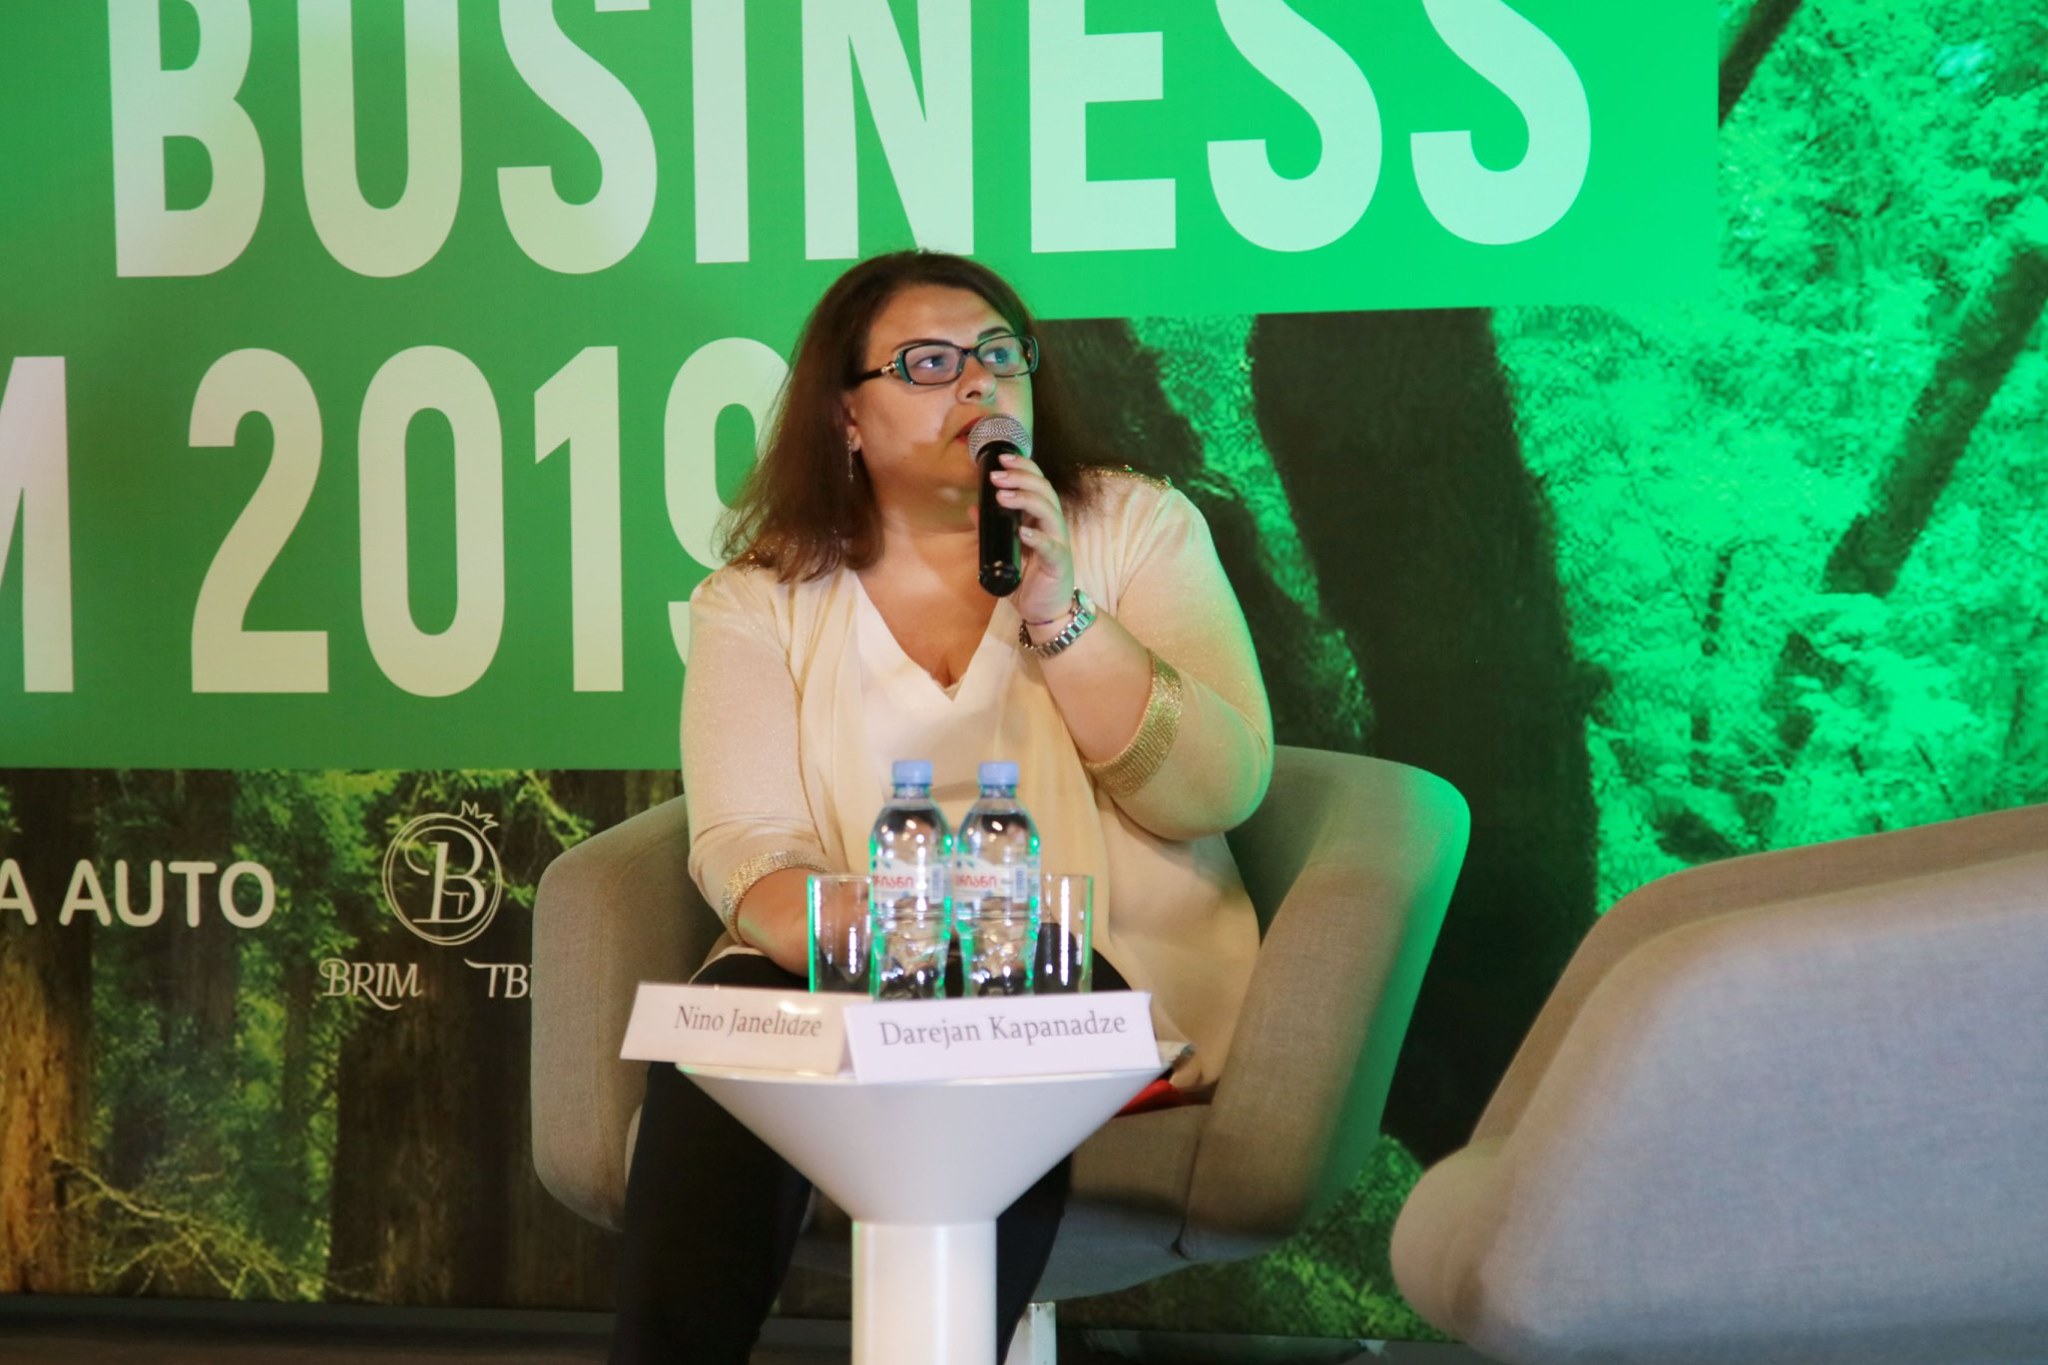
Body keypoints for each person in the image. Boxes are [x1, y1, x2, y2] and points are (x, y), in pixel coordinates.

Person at [611, 250, 1272, 1364]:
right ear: (846, 418)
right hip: (852, 963)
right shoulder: (760, 595)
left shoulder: (1132, 527)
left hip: (1099, 979)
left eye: (999, 354)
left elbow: (1217, 789)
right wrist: (887, 933)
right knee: (727, 1033)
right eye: (927, 362)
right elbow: (746, 846)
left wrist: (1060, 612)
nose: (976, 382)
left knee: (981, 1004)